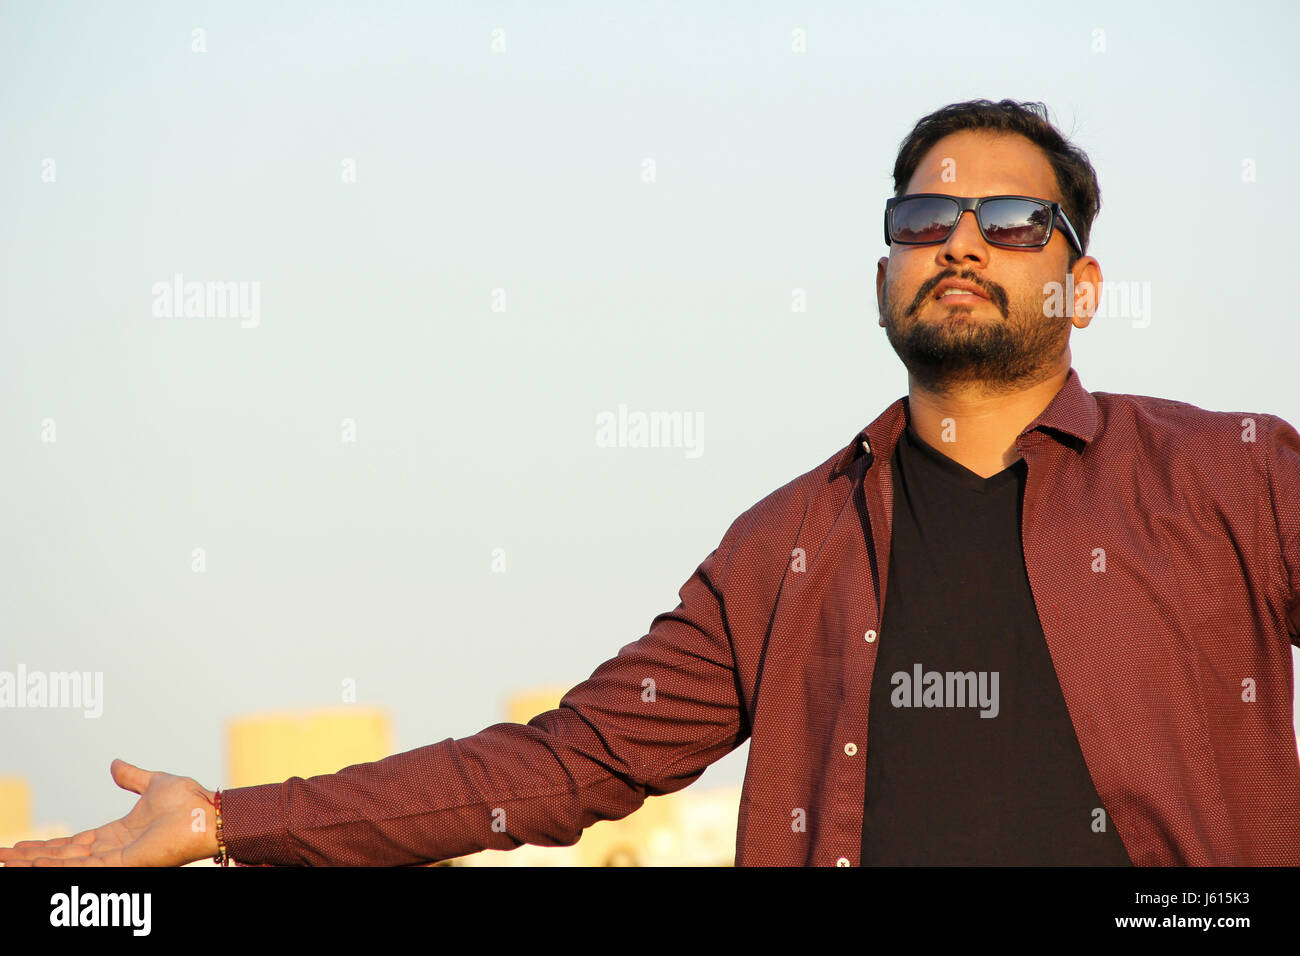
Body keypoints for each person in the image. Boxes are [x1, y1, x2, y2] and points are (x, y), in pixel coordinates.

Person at [3, 99, 1297, 868]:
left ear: (1082, 285)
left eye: (1015, 222)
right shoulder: (789, 542)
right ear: (882, 274)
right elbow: (568, 760)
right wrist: (229, 817)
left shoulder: (1230, 477)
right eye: (921, 220)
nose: (960, 240)